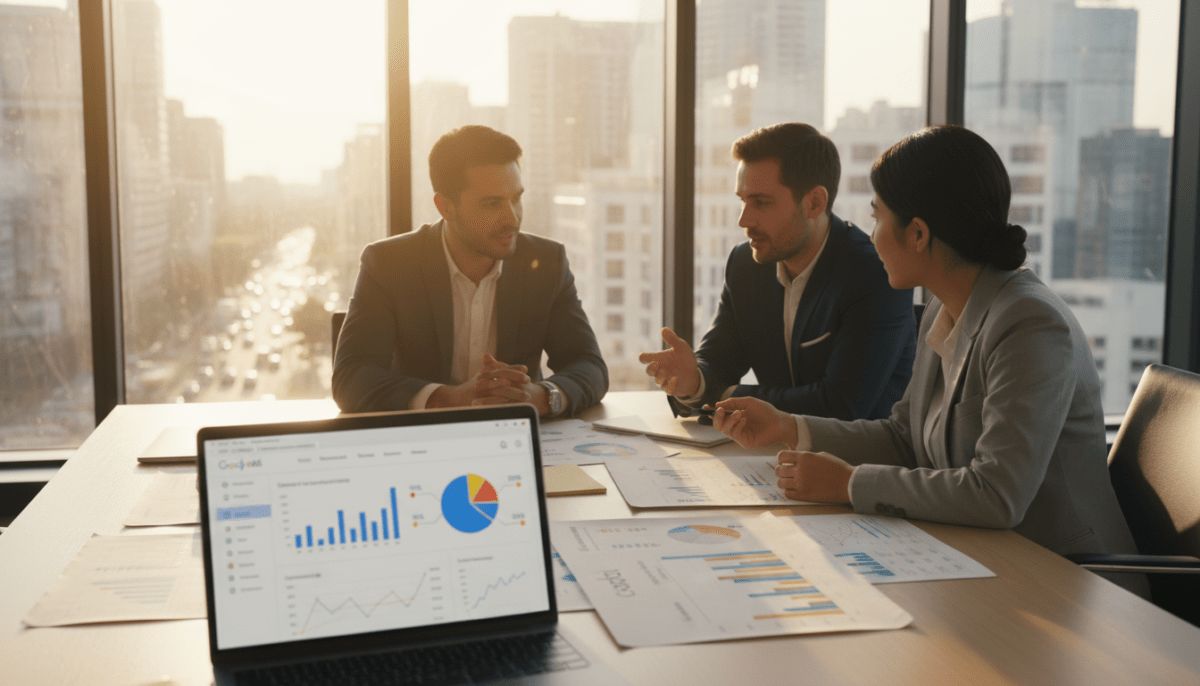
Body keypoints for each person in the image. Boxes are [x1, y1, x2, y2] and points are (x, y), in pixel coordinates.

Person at [713, 125, 1147, 595]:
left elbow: (997, 495)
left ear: (917, 234)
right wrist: (790, 428)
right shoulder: (944, 306)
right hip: (980, 560)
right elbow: (906, 438)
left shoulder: (1030, 325)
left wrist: (850, 484)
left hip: (1071, 583)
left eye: (877, 218)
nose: (871, 236)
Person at [639, 123, 916, 420]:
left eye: (761, 202)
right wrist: (693, 382)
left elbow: (841, 406)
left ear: (814, 203)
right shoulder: (745, 264)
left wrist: (724, 396)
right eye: (743, 201)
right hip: (768, 456)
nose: (744, 220)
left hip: (856, 461)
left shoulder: (875, 273)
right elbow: (718, 362)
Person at [332, 125, 607, 417]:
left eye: (515, 198)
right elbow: (352, 378)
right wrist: (445, 400)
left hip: (516, 438)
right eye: (492, 204)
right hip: (422, 443)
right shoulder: (389, 264)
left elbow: (589, 366)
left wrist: (540, 396)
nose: (511, 218)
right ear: (446, 207)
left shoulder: (545, 263)